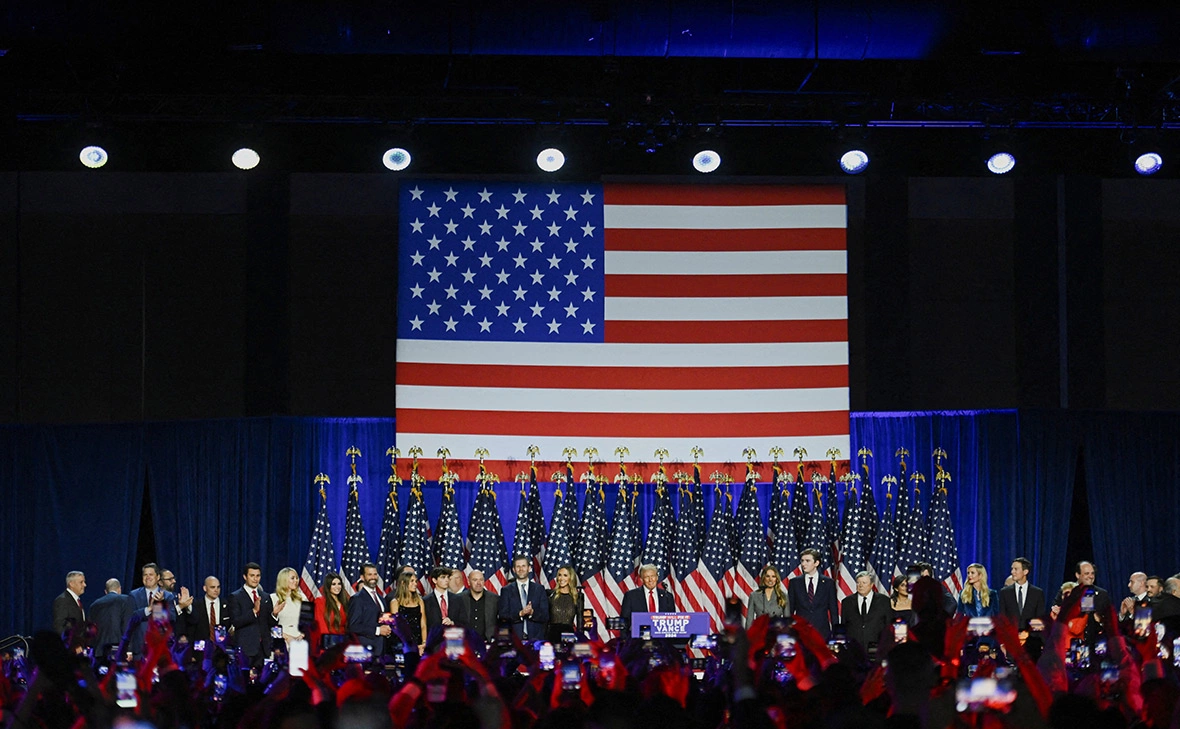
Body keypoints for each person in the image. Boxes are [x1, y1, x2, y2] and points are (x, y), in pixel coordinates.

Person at [229, 562, 275, 665]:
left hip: (263, 649)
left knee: (263, 680)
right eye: (252, 575)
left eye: (258, 576)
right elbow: (236, 622)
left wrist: (274, 614)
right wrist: (253, 611)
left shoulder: (265, 596)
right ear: (245, 577)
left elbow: (269, 623)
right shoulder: (235, 597)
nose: (255, 579)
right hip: (246, 649)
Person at [787, 549, 839, 638]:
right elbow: (790, 609)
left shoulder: (828, 583)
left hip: (822, 632)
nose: (803, 564)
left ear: (816, 563)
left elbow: (833, 611)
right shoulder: (794, 582)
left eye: (807, 561)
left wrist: (836, 633)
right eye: (802, 561)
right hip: (801, 632)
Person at [127, 563, 175, 654]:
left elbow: (171, 619)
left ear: (158, 577)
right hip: (139, 649)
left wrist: (159, 606)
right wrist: (149, 609)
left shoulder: (168, 596)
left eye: (151, 574)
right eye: (145, 575)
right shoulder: (134, 595)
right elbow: (131, 618)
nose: (147, 577)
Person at [498, 556, 550, 639]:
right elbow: (503, 615)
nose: (521, 569)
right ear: (514, 570)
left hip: (535, 639)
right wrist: (520, 614)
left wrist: (532, 612)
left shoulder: (539, 589)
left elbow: (545, 615)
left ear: (529, 568)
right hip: (514, 639)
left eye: (523, 566)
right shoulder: (506, 590)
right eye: (518, 566)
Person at [348, 563, 391, 654]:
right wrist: (378, 630)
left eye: (375, 574)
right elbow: (353, 626)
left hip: (381, 649)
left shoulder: (381, 599)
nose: (373, 577)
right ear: (362, 577)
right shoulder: (357, 599)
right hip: (365, 650)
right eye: (369, 574)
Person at [841, 571, 889, 651]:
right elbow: (844, 625)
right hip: (854, 648)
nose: (860, 585)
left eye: (864, 583)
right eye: (858, 582)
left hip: (877, 647)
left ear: (871, 584)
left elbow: (888, 624)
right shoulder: (847, 602)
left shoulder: (884, 601)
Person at [619, 563, 676, 628]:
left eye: (653, 576)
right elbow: (624, 621)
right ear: (641, 579)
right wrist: (624, 638)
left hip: (661, 636)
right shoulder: (631, 596)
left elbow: (672, 619)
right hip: (638, 636)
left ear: (657, 577)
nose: (650, 580)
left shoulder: (667, 596)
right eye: (647, 577)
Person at [177, 576, 230, 644]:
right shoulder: (196, 605)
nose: (216, 590)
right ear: (205, 588)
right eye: (212, 587)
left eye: (218, 587)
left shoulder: (226, 604)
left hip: (221, 648)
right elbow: (191, 621)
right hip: (201, 646)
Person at [88, 578, 133, 655]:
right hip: (118, 650)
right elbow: (127, 625)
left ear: (106, 591)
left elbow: (91, 630)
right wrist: (129, 649)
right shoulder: (126, 600)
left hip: (98, 651)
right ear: (119, 589)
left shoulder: (94, 605)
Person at [999, 557, 1046, 631]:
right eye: (1012, 569)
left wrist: (1027, 634)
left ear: (1025, 572)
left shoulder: (1037, 593)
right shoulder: (1005, 592)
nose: (1012, 572)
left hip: (1031, 638)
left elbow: (1039, 619)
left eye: (1016, 569)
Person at [388, 571, 427, 655]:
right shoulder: (395, 602)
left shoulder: (419, 601)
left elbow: (423, 624)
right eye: (412, 581)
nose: (415, 584)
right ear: (403, 583)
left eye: (416, 581)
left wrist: (424, 643)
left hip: (419, 643)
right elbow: (396, 627)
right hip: (402, 644)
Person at [423, 566, 469, 635]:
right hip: (434, 641)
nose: (447, 580)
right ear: (434, 580)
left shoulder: (457, 599)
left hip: (454, 640)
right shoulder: (426, 601)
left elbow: (464, 622)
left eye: (448, 577)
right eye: (443, 577)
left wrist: (452, 623)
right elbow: (424, 625)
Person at [546, 564, 585, 642]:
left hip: (569, 637)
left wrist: (580, 641)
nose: (561, 578)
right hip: (551, 637)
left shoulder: (578, 597)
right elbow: (545, 621)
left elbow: (580, 624)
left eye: (565, 575)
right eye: (559, 575)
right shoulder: (550, 595)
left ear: (571, 578)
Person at [311, 572, 348, 651]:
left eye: (339, 584)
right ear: (328, 586)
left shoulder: (345, 602)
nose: (337, 587)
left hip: (343, 644)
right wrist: (327, 644)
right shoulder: (320, 602)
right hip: (327, 644)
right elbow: (321, 625)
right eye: (333, 584)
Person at [270, 566, 305, 647]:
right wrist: (286, 637)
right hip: (281, 642)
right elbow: (268, 624)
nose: (296, 581)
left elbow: (309, 621)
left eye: (297, 578)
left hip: (300, 641)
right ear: (283, 580)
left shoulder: (302, 598)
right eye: (292, 578)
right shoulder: (273, 598)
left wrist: (302, 635)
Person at [461, 570, 498, 642]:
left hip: (487, 643)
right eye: (475, 580)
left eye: (481, 580)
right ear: (468, 582)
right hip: (465, 643)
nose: (478, 583)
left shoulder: (495, 599)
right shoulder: (459, 599)